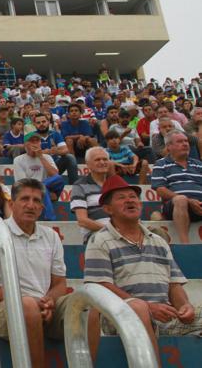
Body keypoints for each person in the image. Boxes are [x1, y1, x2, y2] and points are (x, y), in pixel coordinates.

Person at [85, 175, 202, 360]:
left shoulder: (158, 241)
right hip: (120, 316)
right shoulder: (99, 241)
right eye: (121, 198)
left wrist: (184, 306)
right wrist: (148, 307)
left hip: (163, 315)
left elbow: (174, 284)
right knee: (139, 309)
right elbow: (100, 287)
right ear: (108, 209)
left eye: (133, 196)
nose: (130, 200)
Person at [0, 178, 70, 368]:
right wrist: (27, 304)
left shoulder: (51, 236)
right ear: (11, 203)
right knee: (27, 305)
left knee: (85, 306)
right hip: (7, 311)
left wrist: (49, 301)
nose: (31, 205)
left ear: (42, 208)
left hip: (44, 307)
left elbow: (60, 284)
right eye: (24, 199)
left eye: (37, 201)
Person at [151, 131, 202, 243]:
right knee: (181, 199)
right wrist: (189, 201)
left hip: (199, 204)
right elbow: (160, 189)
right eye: (180, 141)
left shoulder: (198, 164)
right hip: (174, 205)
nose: (185, 144)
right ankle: (185, 244)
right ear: (169, 146)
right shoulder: (161, 164)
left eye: (186, 141)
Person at [12, 128, 65, 220]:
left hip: (48, 185)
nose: (35, 143)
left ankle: (42, 189)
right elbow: (23, 183)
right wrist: (41, 188)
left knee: (59, 178)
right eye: (32, 141)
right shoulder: (18, 160)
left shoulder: (47, 157)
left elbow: (55, 175)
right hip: (30, 189)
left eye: (37, 141)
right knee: (44, 190)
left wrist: (40, 157)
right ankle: (50, 218)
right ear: (25, 144)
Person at [70, 147, 112, 244]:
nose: (102, 162)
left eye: (105, 159)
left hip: (120, 232)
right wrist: (112, 231)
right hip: (96, 234)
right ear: (88, 164)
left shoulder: (116, 184)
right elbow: (82, 220)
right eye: (97, 159)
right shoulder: (80, 186)